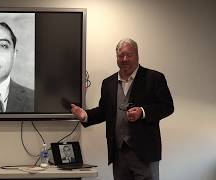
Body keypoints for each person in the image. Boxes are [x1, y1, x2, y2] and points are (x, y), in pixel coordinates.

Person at [71, 38, 174, 180]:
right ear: (116, 57)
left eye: (129, 55)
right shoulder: (108, 83)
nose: (124, 59)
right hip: (119, 154)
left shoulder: (154, 78)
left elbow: (167, 106)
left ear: (137, 55)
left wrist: (143, 112)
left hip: (145, 153)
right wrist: (85, 115)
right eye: (121, 55)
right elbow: (104, 111)